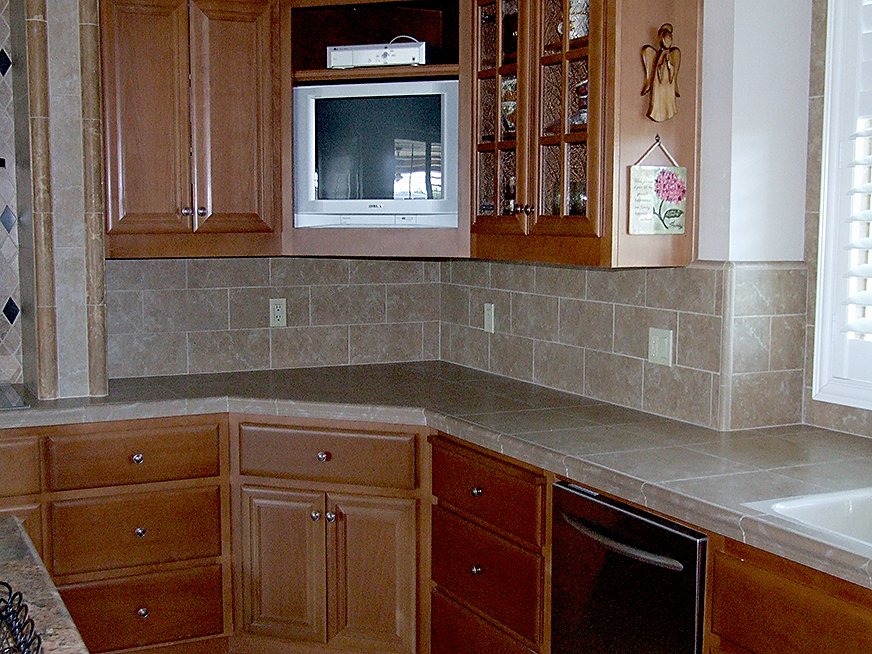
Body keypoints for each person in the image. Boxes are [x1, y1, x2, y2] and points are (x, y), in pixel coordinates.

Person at [641, 23, 681, 122]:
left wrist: (669, 66)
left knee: (668, 99)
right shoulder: (658, 55)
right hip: (659, 82)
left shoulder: (672, 54)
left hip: (668, 83)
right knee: (658, 97)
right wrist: (662, 66)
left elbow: (672, 73)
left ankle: (668, 110)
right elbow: (657, 69)